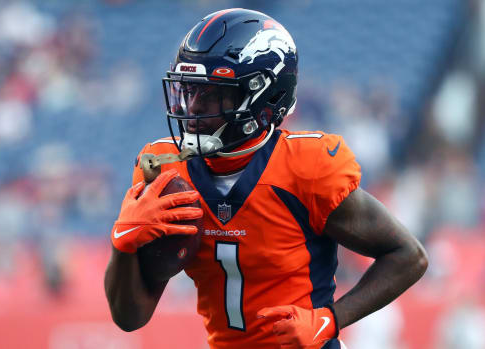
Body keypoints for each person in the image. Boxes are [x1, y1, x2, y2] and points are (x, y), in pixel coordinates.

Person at [104, 8, 428, 349]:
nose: (194, 108)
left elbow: (408, 256)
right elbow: (130, 318)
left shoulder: (306, 168)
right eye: (190, 90)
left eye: (213, 93)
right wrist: (122, 242)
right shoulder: (167, 172)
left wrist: (328, 320)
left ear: (265, 98)